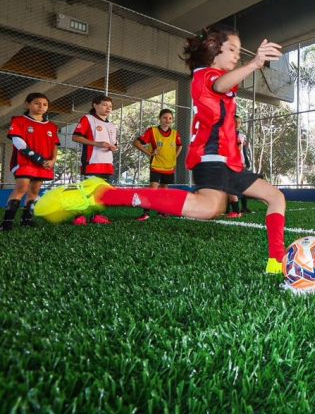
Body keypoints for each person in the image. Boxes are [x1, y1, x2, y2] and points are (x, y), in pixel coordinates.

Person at [36, 25, 287, 274]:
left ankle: (277, 262)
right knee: (209, 208)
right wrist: (254, 63)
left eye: (238, 51)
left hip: (229, 161)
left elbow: (225, 87)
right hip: (211, 158)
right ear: (213, 51)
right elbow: (220, 85)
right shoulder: (205, 76)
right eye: (231, 49)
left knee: (275, 197)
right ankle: (103, 195)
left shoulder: (217, 77)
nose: (237, 54)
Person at [2, 93, 59, 231]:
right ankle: (6, 223)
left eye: (44, 104)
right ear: (27, 104)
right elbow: (18, 142)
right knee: (21, 188)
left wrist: (53, 160)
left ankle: (26, 219)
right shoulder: (19, 120)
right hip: (24, 162)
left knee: (34, 190)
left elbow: (55, 145)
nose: (41, 106)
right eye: (37, 103)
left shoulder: (52, 126)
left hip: (45, 164)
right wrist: (38, 159)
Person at [71, 95, 119, 225]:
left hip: (107, 164)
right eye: (104, 105)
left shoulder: (112, 125)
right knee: (88, 191)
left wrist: (113, 147)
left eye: (110, 106)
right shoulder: (88, 119)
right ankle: (79, 216)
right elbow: (75, 137)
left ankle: (97, 216)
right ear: (95, 105)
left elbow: (114, 143)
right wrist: (97, 144)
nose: (108, 108)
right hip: (92, 162)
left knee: (101, 192)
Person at [132, 109, 183, 221]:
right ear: (160, 118)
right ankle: (146, 213)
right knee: (153, 189)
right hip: (156, 165)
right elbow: (136, 143)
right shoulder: (152, 131)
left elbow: (180, 145)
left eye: (170, 118)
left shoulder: (175, 133)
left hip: (169, 167)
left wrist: (175, 156)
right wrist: (149, 153)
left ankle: (161, 211)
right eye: (165, 117)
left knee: (164, 189)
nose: (167, 120)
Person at [226, 115, 252, 217]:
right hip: (229, 163)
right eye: (235, 122)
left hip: (240, 163)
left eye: (239, 122)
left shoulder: (242, 136)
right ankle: (228, 208)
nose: (237, 124)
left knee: (242, 185)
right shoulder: (227, 133)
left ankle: (244, 207)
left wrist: (247, 160)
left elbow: (244, 150)